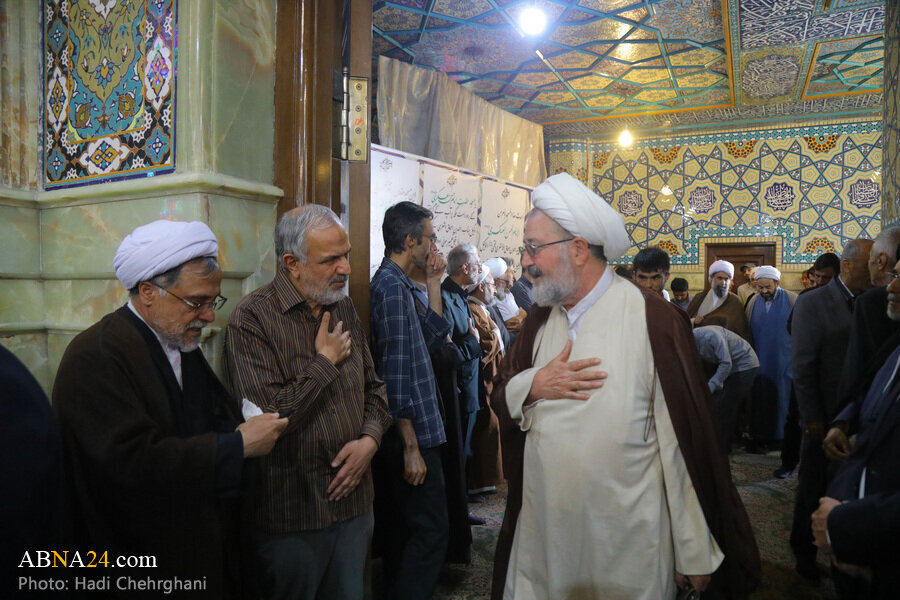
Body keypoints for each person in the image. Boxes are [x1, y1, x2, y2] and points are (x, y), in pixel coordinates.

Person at [491, 172, 760, 600]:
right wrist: (534, 385)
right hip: (545, 536)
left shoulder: (653, 319)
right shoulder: (540, 319)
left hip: (626, 542)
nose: (525, 261)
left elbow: (681, 443)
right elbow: (502, 393)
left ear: (578, 249)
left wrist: (691, 548)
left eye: (533, 247)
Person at [53, 220, 287, 597]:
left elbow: (204, 422)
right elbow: (129, 465)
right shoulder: (96, 356)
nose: (208, 316)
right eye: (196, 303)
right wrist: (237, 445)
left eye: (213, 302)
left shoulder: (178, 342)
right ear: (148, 292)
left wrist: (246, 427)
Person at [223, 206, 391, 599]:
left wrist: (370, 440)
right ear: (292, 264)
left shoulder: (342, 306)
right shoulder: (252, 319)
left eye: (346, 255)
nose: (345, 268)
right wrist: (325, 363)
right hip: (292, 517)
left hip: (354, 507)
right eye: (331, 259)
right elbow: (270, 421)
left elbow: (375, 389)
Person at [370, 201, 450, 599]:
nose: (434, 245)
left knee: (412, 532)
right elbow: (395, 374)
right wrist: (411, 447)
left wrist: (434, 282)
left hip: (421, 429)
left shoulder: (400, 283)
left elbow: (434, 336)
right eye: (430, 238)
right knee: (431, 532)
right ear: (409, 240)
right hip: (412, 434)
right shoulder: (389, 288)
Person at [811, 263, 900, 598]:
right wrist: (843, 422)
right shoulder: (895, 348)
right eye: (894, 276)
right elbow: (874, 400)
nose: (890, 287)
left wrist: (842, 524)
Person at [788, 238, 873, 581]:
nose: (876, 270)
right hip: (822, 415)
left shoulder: (872, 300)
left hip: (858, 415)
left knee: (850, 490)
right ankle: (804, 557)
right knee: (813, 486)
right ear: (848, 266)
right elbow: (803, 365)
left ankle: (843, 556)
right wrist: (811, 416)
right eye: (870, 263)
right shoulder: (813, 302)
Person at [744, 266, 798, 452]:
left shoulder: (792, 299)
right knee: (760, 397)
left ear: (777, 283)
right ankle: (761, 436)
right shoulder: (752, 301)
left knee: (783, 397)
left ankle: (781, 437)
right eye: (760, 287)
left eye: (768, 287)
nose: (764, 291)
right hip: (759, 360)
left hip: (784, 360)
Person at [442, 245, 484, 467]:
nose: (480, 269)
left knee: (467, 455)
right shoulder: (444, 298)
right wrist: (473, 341)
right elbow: (445, 352)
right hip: (458, 392)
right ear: (465, 268)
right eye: (477, 264)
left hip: (469, 390)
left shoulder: (460, 294)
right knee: (458, 458)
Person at [466, 266, 504, 497]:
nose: (494, 289)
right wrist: (496, 334)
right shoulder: (473, 309)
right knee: (487, 426)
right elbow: (484, 343)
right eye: (491, 285)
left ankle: (488, 480)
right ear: (481, 287)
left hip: (493, 378)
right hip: (483, 380)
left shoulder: (482, 308)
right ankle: (479, 482)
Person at [693, 325, 759, 452]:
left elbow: (726, 363)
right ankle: (718, 443)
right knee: (717, 403)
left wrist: (710, 386)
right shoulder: (692, 340)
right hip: (729, 368)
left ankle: (721, 448)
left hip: (745, 365)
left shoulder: (711, 336)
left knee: (725, 406)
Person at [687, 260, 750, 340]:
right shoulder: (699, 297)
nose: (723, 283)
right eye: (720, 278)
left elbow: (740, 330)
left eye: (726, 279)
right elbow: (685, 321)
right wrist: (693, 321)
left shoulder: (735, 301)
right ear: (711, 278)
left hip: (725, 345)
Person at [485, 257, 526, 338]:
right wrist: (522, 317)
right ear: (498, 279)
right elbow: (508, 325)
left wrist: (522, 317)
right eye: (511, 272)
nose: (514, 277)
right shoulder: (493, 301)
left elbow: (522, 312)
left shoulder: (508, 294)